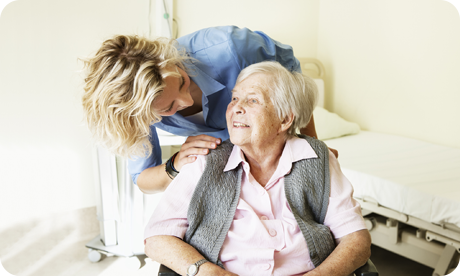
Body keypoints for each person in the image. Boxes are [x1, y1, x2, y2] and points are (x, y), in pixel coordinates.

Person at [144, 61, 371, 276]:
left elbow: (356, 240)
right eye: (234, 98)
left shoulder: (318, 159)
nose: (236, 108)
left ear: (284, 119)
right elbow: (156, 237)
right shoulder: (204, 162)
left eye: (252, 101)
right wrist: (206, 271)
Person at [81, 26, 327, 194]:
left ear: (168, 61)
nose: (186, 102)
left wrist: (311, 145)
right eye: (169, 108)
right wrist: (175, 164)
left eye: (182, 82)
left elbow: (293, 81)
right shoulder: (135, 112)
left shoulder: (231, 48)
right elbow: (143, 180)